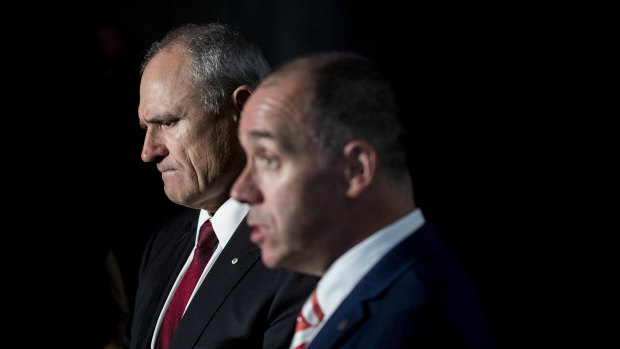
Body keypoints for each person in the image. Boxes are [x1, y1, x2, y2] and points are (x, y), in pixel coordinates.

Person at [230, 52, 498, 348]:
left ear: (355, 170)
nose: (240, 190)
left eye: (268, 159)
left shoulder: (413, 325)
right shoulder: (385, 292)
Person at [126, 23, 319, 349]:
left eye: (168, 122)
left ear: (244, 110)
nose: (149, 151)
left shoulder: (302, 252)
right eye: (147, 127)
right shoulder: (164, 243)